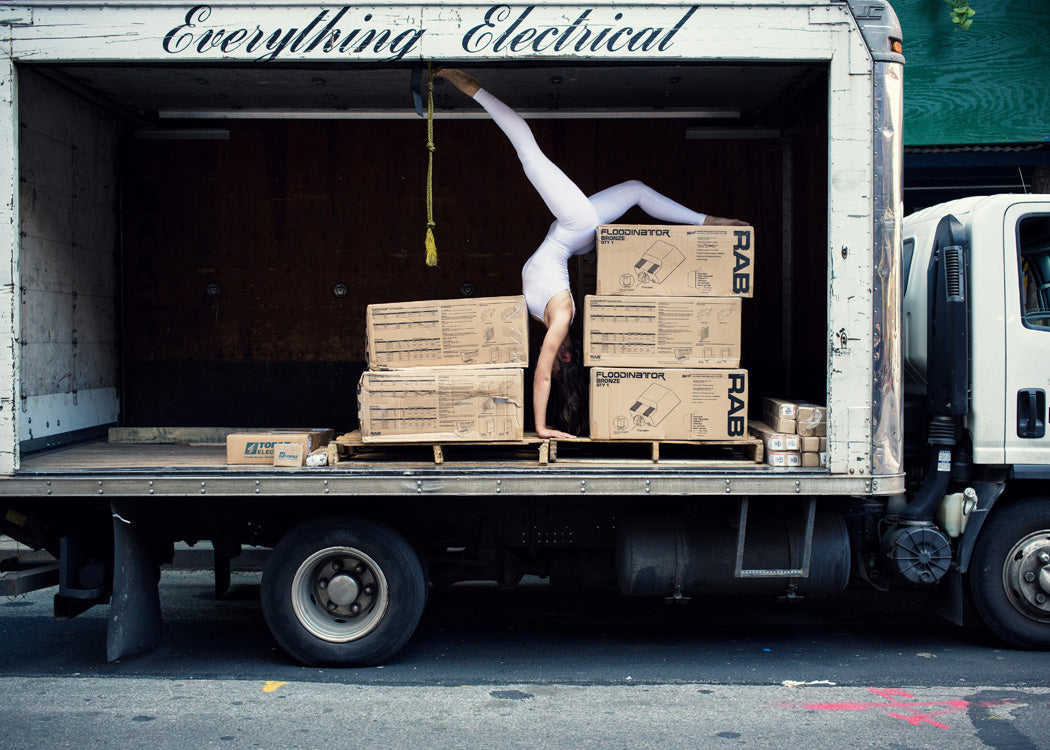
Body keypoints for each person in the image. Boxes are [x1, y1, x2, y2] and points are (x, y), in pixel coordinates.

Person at [438, 69, 745, 439]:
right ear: (566, 357)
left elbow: (538, 365)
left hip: (574, 239)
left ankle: (705, 221)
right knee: (529, 153)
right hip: (575, 227)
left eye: (550, 361)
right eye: (556, 364)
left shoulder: (543, 318)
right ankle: (476, 90)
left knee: (635, 190)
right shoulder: (561, 318)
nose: (546, 358)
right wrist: (540, 427)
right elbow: (540, 376)